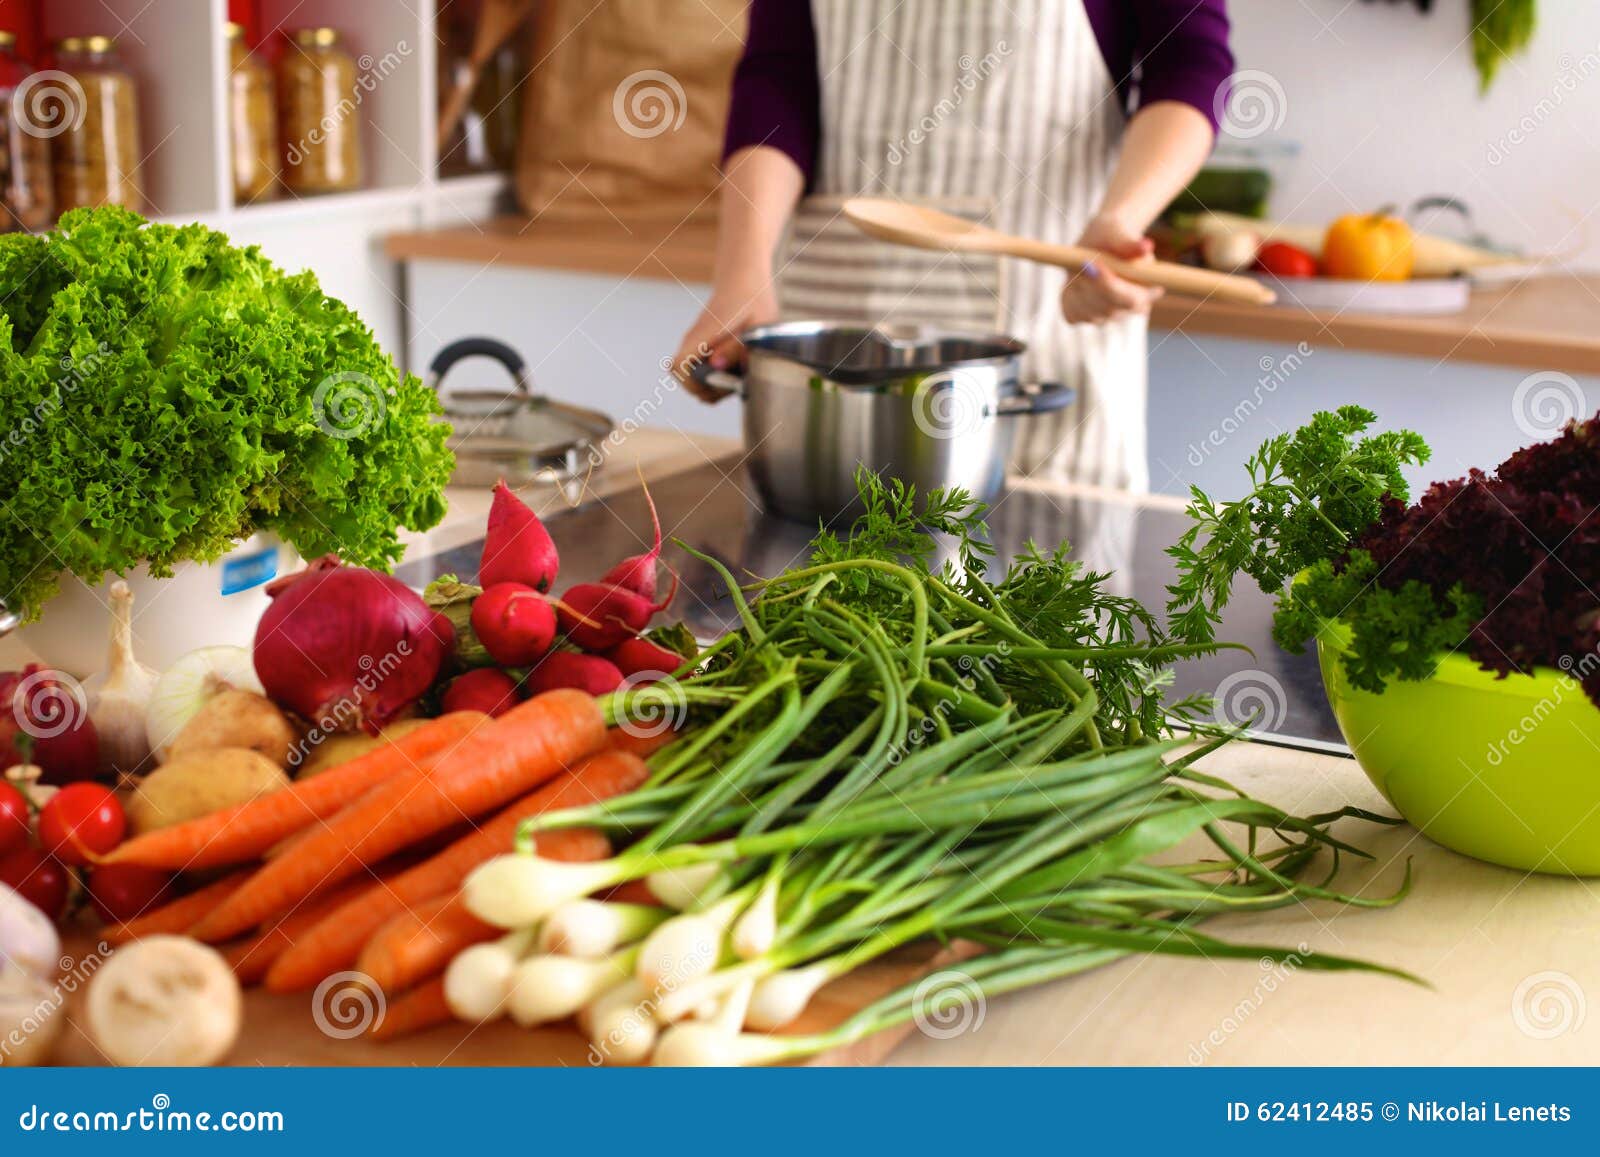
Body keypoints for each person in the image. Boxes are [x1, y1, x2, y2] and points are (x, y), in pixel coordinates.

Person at [673, 0, 1234, 491]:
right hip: (830, 320)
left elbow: (1188, 57)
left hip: (1046, 327)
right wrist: (742, 273)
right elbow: (779, 77)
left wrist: (1120, 218)